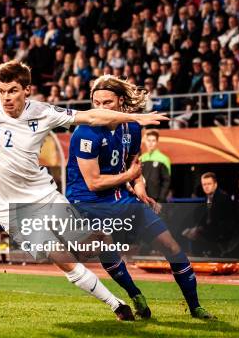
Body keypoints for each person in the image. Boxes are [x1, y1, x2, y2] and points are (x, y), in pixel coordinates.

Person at [0, 61, 168, 321]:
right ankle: (117, 305)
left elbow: (92, 116)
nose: (6, 97)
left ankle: (131, 289)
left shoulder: (43, 111)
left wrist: (134, 117)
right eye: (2, 91)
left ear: (27, 90)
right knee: (59, 255)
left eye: (13, 90)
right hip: (11, 208)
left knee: (95, 243)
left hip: (45, 195)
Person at [66, 75, 214, 319]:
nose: (101, 108)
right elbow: (94, 183)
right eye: (96, 103)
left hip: (120, 196)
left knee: (172, 246)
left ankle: (196, 307)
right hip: (88, 202)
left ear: (121, 101)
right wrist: (129, 176)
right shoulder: (85, 133)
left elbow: (134, 166)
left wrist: (140, 186)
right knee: (107, 249)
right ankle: (135, 294)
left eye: (107, 102)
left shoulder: (132, 128)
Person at [140, 130, 171, 203]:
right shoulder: (141, 158)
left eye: (153, 141)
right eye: (148, 140)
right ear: (145, 142)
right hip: (143, 198)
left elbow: (166, 181)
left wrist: (161, 198)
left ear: (157, 142)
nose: (150, 143)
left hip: (157, 199)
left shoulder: (164, 159)